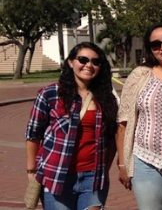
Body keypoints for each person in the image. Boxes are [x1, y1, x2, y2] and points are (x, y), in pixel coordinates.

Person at [25, 43, 118, 210]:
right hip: (57, 174)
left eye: (95, 62)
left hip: (93, 177)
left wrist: (104, 169)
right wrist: (31, 170)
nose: (89, 65)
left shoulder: (106, 98)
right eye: (83, 59)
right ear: (70, 62)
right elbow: (34, 134)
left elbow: (111, 139)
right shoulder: (50, 94)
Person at [116, 23, 162, 210]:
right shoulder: (140, 75)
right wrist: (123, 164)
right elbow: (123, 122)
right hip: (145, 161)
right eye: (155, 44)